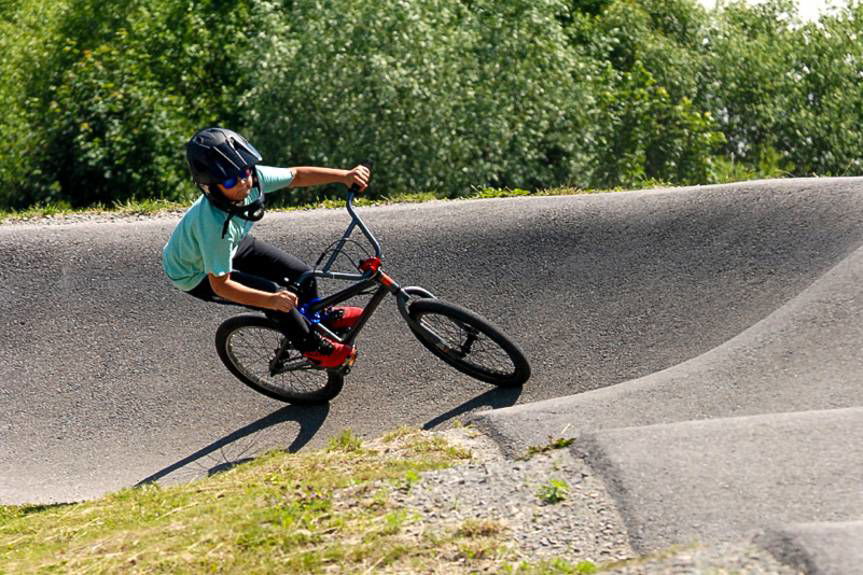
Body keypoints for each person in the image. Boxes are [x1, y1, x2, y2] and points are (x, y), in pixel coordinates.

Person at [162, 127, 370, 368]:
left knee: (303, 274)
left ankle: (318, 317)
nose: (243, 182)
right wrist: (270, 300)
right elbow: (222, 285)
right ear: (210, 187)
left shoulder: (253, 180)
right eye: (230, 179)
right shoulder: (215, 226)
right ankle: (312, 347)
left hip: (233, 244)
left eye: (244, 171)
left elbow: (297, 176)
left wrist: (344, 176)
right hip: (194, 271)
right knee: (274, 296)